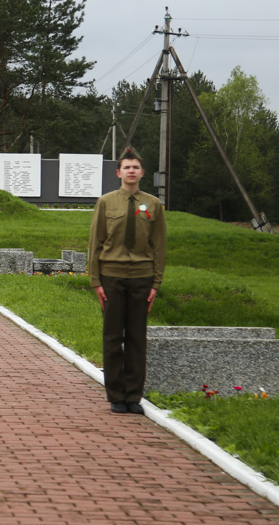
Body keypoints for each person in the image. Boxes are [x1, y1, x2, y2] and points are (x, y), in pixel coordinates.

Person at [89, 147, 166, 415]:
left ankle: (133, 396)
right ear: (118, 172)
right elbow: (95, 243)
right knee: (112, 338)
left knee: (136, 338)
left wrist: (155, 284)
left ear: (142, 173)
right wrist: (95, 281)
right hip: (111, 278)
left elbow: (159, 246)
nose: (131, 171)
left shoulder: (153, 205)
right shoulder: (106, 202)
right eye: (127, 167)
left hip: (142, 279)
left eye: (136, 167)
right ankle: (116, 396)